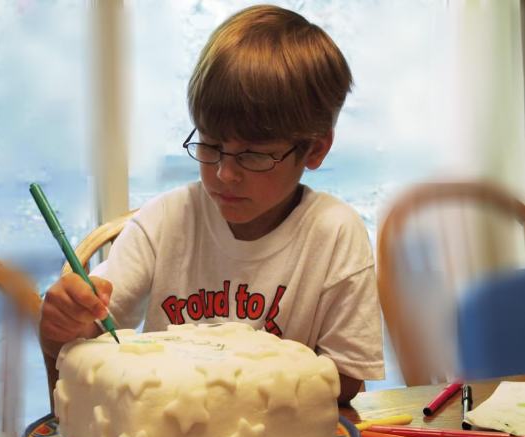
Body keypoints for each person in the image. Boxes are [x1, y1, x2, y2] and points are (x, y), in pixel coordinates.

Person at [40, 4, 384, 404]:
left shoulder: (334, 233)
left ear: (315, 149)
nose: (225, 173)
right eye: (211, 145)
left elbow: (346, 379)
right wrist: (64, 323)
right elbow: (86, 343)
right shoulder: (166, 222)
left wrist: (225, 387)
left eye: (254, 154)